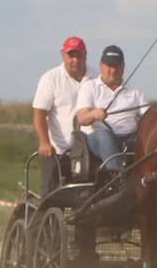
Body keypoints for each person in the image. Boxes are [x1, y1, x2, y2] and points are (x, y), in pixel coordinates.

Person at [75, 45, 148, 175]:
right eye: (109, 66)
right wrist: (94, 113)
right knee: (104, 136)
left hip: (129, 138)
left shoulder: (135, 91)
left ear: (123, 66)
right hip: (97, 138)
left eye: (117, 66)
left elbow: (148, 118)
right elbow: (81, 119)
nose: (113, 70)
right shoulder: (89, 87)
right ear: (101, 65)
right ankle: (116, 177)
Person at [32, 36, 91, 195]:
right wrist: (44, 142)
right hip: (58, 150)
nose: (75, 60)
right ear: (63, 56)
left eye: (79, 55)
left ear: (85, 56)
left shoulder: (96, 77)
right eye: (71, 56)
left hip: (89, 151)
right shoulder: (50, 79)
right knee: (49, 196)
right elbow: (39, 114)